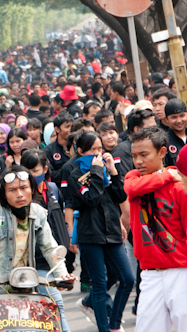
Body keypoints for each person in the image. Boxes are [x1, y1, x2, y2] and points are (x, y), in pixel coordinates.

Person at [0, 165, 74, 311]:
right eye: (12, 190)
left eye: (24, 188)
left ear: (32, 189)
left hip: (24, 291)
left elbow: (50, 248)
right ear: (4, 194)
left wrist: (62, 275)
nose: (20, 194)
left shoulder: (39, 214)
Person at [67, 131, 134, 332]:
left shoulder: (105, 169)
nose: (97, 153)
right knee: (99, 283)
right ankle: (104, 328)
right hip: (90, 233)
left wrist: (113, 171)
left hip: (112, 229)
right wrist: (96, 171)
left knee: (127, 278)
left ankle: (114, 322)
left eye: (100, 149)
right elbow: (92, 199)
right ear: (80, 151)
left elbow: (120, 195)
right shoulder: (74, 174)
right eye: (92, 150)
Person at [125, 127, 187, 331]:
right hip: (150, 273)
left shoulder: (179, 188)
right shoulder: (134, 179)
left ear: (162, 152)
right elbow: (131, 188)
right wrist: (169, 175)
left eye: (144, 155)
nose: (138, 161)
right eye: (134, 156)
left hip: (180, 270)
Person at [20, 150, 72, 332]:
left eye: (35, 170)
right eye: (27, 170)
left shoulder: (53, 189)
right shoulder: (20, 198)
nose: (31, 175)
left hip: (56, 258)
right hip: (35, 261)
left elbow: (61, 219)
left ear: (45, 169)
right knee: (55, 304)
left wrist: (69, 239)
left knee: (44, 311)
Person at [44, 113, 73, 188]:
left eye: (72, 126)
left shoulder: (78, 147)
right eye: (67, 127)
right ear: (57, 129)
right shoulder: (49, 151)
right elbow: (50, 174)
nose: (70, 130)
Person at [164, 98, 187, 166]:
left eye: (182, 116)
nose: (179, 121)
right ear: (166, 119)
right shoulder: (164, 142)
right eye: (174, 117)